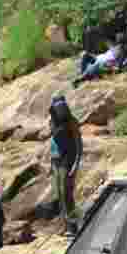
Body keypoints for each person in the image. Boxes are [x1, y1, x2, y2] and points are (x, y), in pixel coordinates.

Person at [49, 95, 84, 234]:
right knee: (59, 194)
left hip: (67, 160)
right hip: (55, 160)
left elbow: (78, 142)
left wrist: (76, 164)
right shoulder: (52, 121)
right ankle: (64, 226)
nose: (61, 109)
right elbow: (52, 139)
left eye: (62, 106)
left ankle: (73, 226)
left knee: (66, 193)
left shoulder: (72, 121)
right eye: (58, 107)